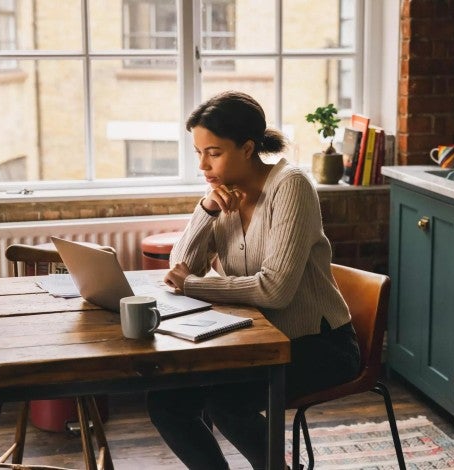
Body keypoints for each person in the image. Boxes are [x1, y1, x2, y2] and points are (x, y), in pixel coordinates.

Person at [147, 91, 361, 470]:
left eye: (213, 152)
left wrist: (195, 285)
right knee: (165, 402)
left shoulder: (291, 185)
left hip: (319, 344)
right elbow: (181, 266)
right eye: (198, 153)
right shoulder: (222, 192)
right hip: (253, 340)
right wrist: (206, 209)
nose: (202, 164)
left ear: (247, 148)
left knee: (226, 402)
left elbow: (275, 290)